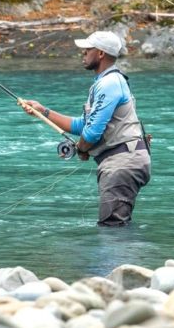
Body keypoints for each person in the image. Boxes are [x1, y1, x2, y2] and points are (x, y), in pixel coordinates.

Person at [20, 31, 151, 226]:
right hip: (122, 161)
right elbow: (81, 125)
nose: (83, 53)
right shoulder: (105, 83)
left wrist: (82, 148)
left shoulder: (109, 84)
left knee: (112, 228)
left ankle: (125, 257)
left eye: (87, 50)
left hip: (122, 163)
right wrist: (43, 111)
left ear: (100, 54)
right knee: (115, 227)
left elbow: (91, 133)